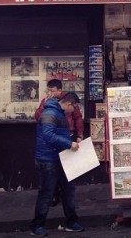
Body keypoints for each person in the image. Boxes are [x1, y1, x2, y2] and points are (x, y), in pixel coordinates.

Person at [30, 92, 84, 236]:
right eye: (75, 107)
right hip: (48, 160)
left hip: (61, 158)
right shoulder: (49, 113)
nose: (75, 110)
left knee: (68, 191)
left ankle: (72, 222)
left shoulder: (59, 114)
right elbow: (48, 135)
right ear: (68, 104)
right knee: (47, 193)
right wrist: (69, 143)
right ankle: (37, 226)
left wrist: (73, 141)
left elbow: (58, 133)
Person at [34, 79, 84, 207]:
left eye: (52, 90)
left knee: (68, 170)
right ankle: (54, 195)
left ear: (59, 90)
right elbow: (38, 117)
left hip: (69, 137)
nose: (50, 92)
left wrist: (79, 135)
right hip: (55, 142)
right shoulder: (46, 104)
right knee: (53, 170)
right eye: (48, 90)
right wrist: (43, 104)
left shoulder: (69, 100)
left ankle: (66, 195)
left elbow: (77, 118)